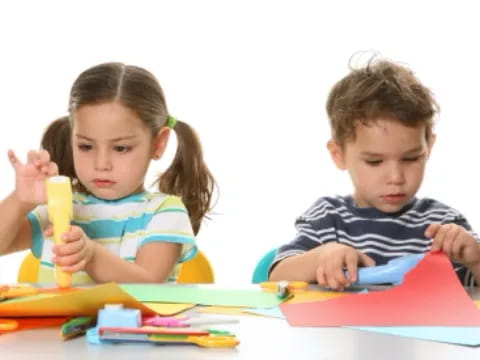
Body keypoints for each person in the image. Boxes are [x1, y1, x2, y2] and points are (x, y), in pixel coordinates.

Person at [269, 56, 480, 289]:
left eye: (411, 158)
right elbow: (276, 276)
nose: (396, 178)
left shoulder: (444, 225)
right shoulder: (328, 218)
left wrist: (476, 260)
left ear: (428, 146)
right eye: (374, 161)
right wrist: (320, 257)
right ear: (338, 154)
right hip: (341, 326)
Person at [0, 62, 215, 284]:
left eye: (121, 148)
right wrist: (20, 200)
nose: (101, 164)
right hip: (58, 321)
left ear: (158, 144)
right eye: (86, 146)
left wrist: (91, 255)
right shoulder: (61, 206)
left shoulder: (164, 212)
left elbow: (148, 283)